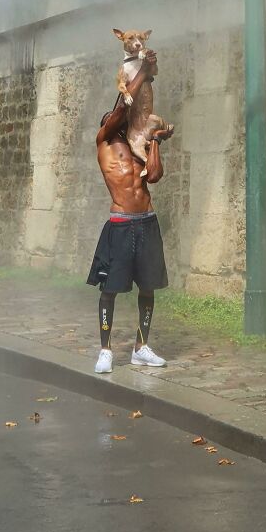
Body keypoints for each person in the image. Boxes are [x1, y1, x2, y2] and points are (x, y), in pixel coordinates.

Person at [87, 49, 174, 374]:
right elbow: (121, 106)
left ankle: (141, 346)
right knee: (110, 290)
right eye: (110, 121)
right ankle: (106, 350)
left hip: (146, 222)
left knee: (148, 287)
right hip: (120, 225)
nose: (115, 122)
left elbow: (153, 176)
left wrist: (155, 143)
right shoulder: (104, 143)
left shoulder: (136, 146)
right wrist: (144, 71)